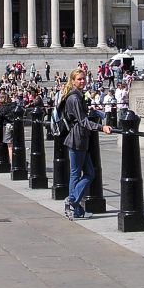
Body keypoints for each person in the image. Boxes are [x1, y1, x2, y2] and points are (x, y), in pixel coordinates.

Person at [60, 69, 112, 220]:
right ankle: (72, 202)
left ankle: (75, 206)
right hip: (77, 138)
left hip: (81, 138)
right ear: (73, 80)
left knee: (89, 173)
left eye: (83, 79)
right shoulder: (74, 98)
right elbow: (82, 121)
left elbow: (80, 116)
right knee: (77, 174)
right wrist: (102, 127)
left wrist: (94, 113)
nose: (82, 81)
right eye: (79, 79)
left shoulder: (78, 95)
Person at [0, 93, 17, 165]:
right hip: (16, 126)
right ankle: (18, 161)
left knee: (10, 147)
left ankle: (12, 163)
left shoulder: (0, 109)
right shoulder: (14, 106)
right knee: (17, 146)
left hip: (7, 127)